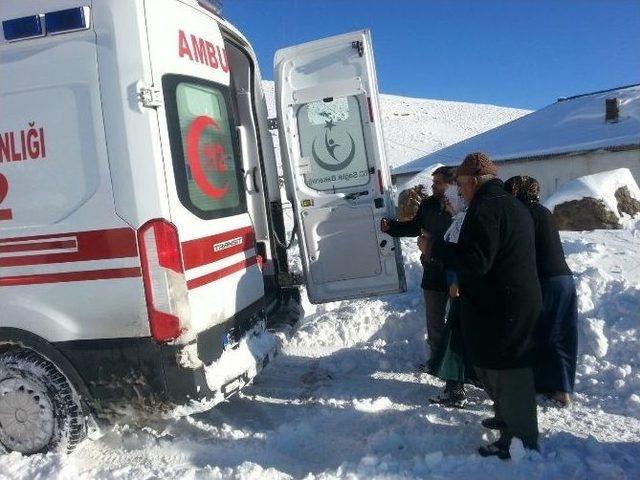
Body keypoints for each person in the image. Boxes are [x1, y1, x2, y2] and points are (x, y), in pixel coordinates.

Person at [418, 152, 542, 460]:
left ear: (473, 180)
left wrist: (436, 248)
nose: (458, 191)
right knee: (496, 365)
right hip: (509, 300)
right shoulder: (507, 204)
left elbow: (476, 260)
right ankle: (508, 424)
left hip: (506, 304)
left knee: (509, 370)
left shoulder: (487, 208)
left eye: (460, 184)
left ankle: (519, 441)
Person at [504, 176, 578, 408]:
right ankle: (557, 385)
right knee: (561, 332)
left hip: (546, 280)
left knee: (544, 332)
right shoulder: (543, 211)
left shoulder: (524, 214)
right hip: (564, 279)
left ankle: (558, 390)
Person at [381, 166, 454, 365]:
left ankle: (460, 365)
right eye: (434, 182)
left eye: (438, 182)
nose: (434, 185)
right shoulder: (428, 204)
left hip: (456, 270)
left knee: (460, 319)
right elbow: (414, 227)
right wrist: (392, 228)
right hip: (432, 270)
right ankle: (437, 361)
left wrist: (454, 213)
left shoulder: (461, 205)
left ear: (451, 184)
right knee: (434, 320)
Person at [428, 183, 478, 408]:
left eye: (452, 199)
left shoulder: (465, 222)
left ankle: (456, 389)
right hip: (459, 285)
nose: (447, 204)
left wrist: (455, 282)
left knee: (455, 338)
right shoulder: (458, 221)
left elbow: (460, 257)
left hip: (463, 287)